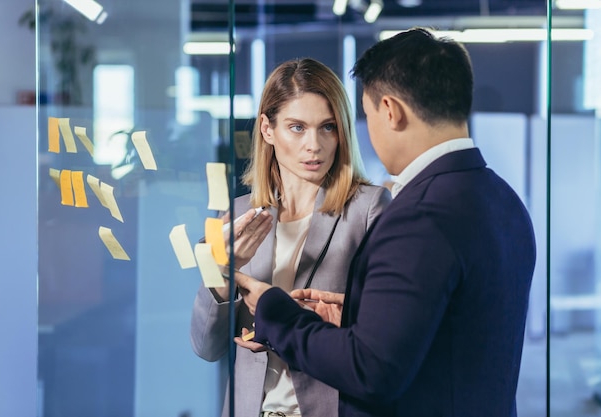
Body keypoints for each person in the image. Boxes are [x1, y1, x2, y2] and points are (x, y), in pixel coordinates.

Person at [234, 28, 537, 417]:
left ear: (390, 111)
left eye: (364, 114)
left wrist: (274, 310)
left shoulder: (416, 215)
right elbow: (452, 331)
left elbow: (371, 371)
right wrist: (363, 316)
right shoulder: (503, 200)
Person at [190, 58, 391, 417]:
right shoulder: (236, 216)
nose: (313, 145)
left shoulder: (368, 208)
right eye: (297, 127)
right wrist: (221, 273)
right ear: (267, 129)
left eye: (327, 127)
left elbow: (387, 340)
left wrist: (302, 320)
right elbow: (206, 346)